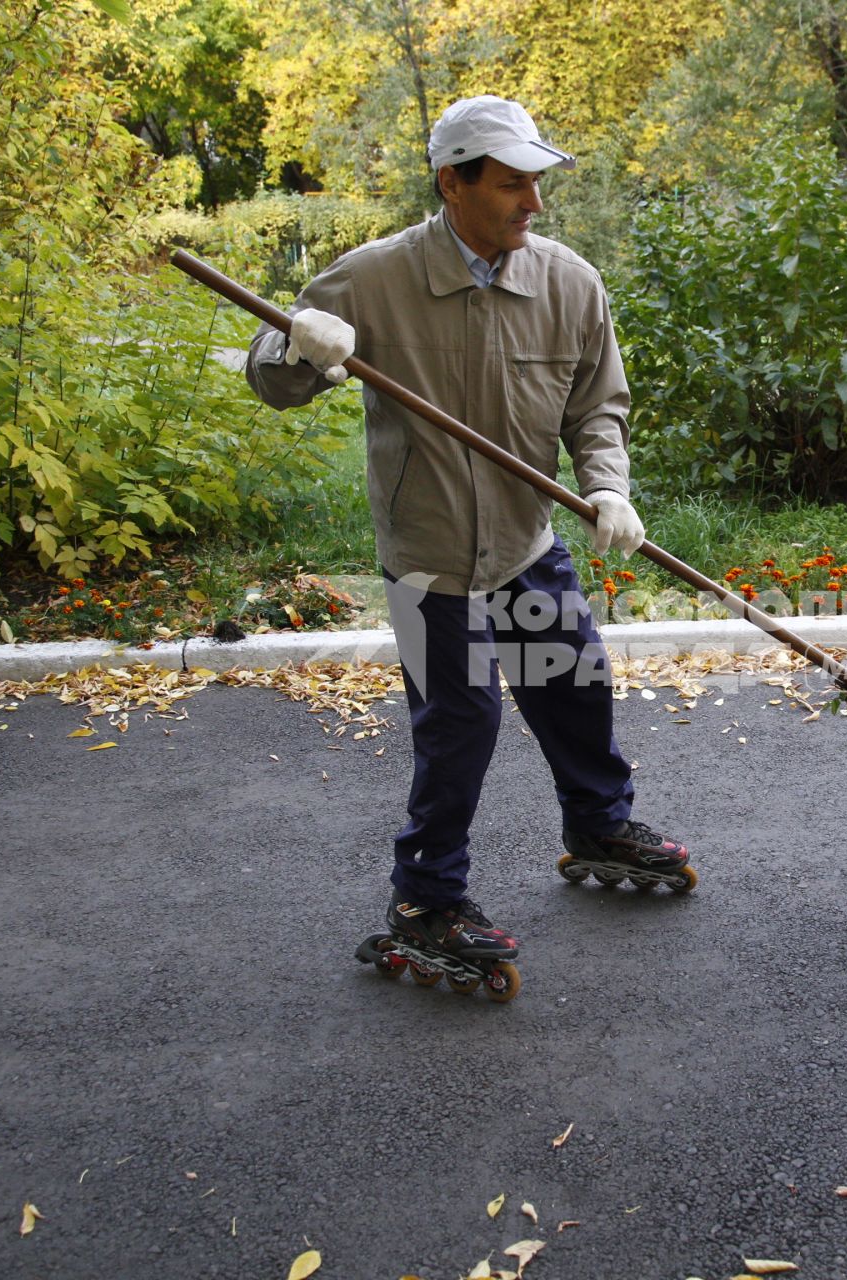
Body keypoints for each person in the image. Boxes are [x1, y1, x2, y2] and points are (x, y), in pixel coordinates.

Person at [243, 95, 691, 986]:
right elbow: (272, 378)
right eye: (513, 184)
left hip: (526, 540)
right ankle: (427, 898)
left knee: (573, 684)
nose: (534, 203)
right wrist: (299, 348)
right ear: (452, 182)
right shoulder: (373, 278)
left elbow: (597, 406)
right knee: (461, 721)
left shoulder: (568, 283)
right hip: (427, 555)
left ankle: (598, 821)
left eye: (537, 183)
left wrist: (606, 485)